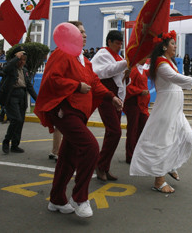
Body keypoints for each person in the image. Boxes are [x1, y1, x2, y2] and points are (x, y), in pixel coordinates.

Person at [34, 21, 122, 218]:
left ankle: (56, 200)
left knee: (67, 159)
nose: (84, 35)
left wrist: (111, 97)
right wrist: (76, 86)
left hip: (80, 114)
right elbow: (52, 79)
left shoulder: (85, 61)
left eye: (84, 32)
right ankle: (79, 197)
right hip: (66, 111)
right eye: (79, 32)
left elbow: (95, 84)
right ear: (69, 36)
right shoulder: (61, 54)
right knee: (91, 148)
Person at [130, 30, 192, 194]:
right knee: (164, 141)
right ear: (164, 46)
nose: (175, 46)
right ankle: (159, 180)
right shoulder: (161, 63)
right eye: (172, 43)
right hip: (166, 107)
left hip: (176, 108)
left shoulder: (168, 61)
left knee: (187, 138)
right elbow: (174, 78)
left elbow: (176, 78)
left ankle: (171, 165)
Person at [91, 30, 128, 181]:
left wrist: (128, 71)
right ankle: (100, 165)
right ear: (109, 42)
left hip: (116, 97)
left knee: (112, 132)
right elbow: (105, 72)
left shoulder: (118, 56)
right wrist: (126, 63)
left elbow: (120, 78)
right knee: (115, 132)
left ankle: (104, 167)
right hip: (105, 97)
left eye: (121, 43)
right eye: (117, 43)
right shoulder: (102, 54)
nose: (119, 46)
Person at [0, 47, 37, 154]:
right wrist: (15, 58)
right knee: (16, 119)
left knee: (20, 121)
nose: (22, 62)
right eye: (20, 59)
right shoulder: (11, 68)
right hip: (11, 96)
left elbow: (29, 86)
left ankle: (15, 145)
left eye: (24, 60)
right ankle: (6, 140)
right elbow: (5, 69)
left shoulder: (25, 71)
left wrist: (38, 100)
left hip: (22, 96)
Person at [124, 57, 150, 164]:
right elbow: (128, 87)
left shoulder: (143, 70)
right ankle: (130, 156)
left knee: (142, 129)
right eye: (144, 56)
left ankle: (138, 153)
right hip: (133, 103)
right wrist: (140, 91)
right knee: (132, 130)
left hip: (142, 105)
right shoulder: (133, 70)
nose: (146, 58)